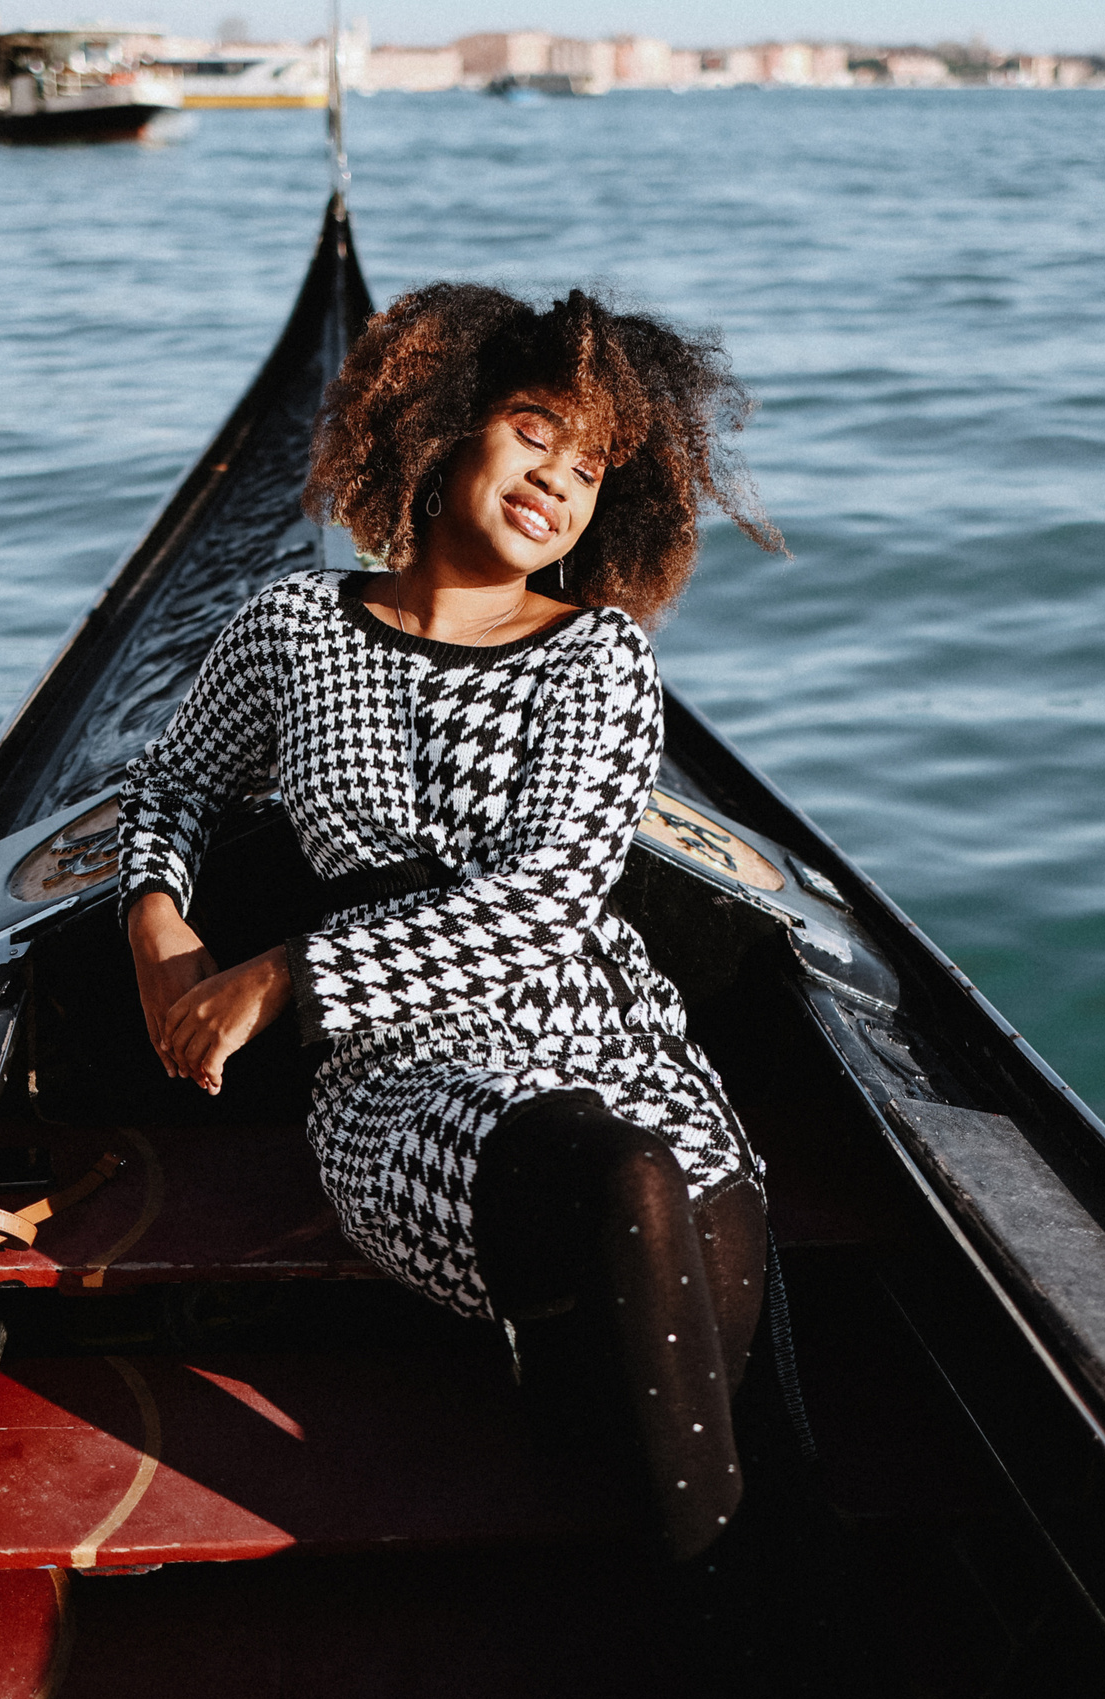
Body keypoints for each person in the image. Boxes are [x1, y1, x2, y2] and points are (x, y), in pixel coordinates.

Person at [115, 281, 784, 1564]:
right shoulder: (297, 626)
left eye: (590, 470)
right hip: (399, 1077)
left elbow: (542, 907)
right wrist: (161, 933)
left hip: (610, 1043)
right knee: (621, 1184)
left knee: (686, 1212)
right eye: (537, 429)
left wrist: (273, 979)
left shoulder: (599, 659)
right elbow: (179, 777)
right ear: (447, 427)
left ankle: (663, 1536)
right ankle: (728, 1617)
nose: (557, 482)